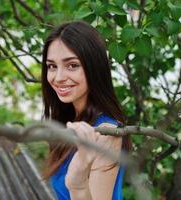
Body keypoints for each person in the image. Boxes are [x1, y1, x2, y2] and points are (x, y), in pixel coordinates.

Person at [41, 21, 132, 200]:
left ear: (94, 67)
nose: (58, 78)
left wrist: (77, 184)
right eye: (52, 66)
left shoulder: (107, 133)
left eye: (72, 65)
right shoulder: (69, 120)